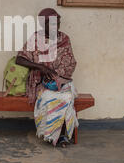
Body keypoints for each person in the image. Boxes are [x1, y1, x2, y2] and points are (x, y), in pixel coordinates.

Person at [16, 8, 78, 147]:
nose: (56, 27)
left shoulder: (64, 39)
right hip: (40, 81)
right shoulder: (35, 38)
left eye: (58, 23)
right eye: (52, 24)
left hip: (61, 79)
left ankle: (61, 135)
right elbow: (19, 59)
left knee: (67, 97)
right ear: (43, 25)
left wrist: (57, 76)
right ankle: (53, 134)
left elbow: (70, 62)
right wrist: (41, 68)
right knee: (49, 97)